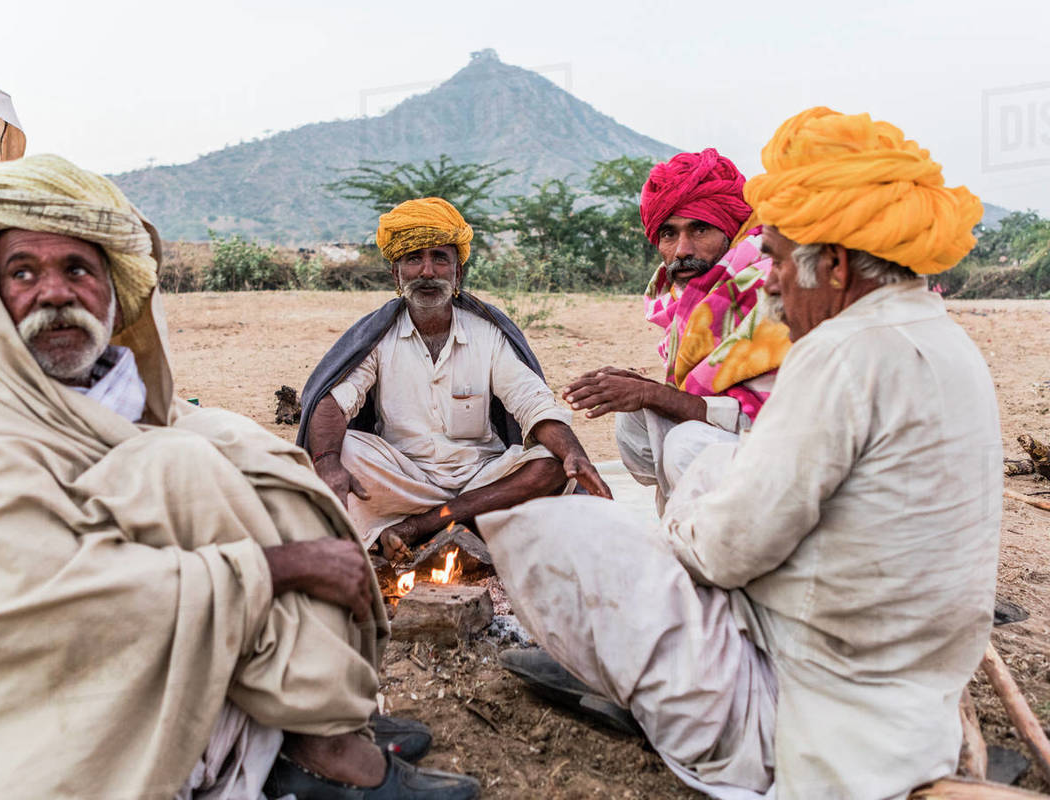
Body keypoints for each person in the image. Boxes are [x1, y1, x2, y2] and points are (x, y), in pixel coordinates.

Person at [0, 155, 479, 800]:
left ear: (114, 290)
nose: (54, 292)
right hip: (52, 710)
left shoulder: (109, 392)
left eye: (78, 269)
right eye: (22, 272)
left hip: (458, 471)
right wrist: (282, 564)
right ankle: (316, 748)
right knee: (180, 461)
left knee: (240, 447)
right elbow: (39, 605)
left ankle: (321, 722)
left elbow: (531, 404)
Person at [478, 107, 997, 799]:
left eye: (779, 259)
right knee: (704, 459)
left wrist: (677, 525)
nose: (773, 279)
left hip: (814, 723)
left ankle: (711, 737)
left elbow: (725, 553)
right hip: (913, 699)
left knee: (550, 529)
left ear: (835, 265)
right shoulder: (943, 338)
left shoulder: (840, 354)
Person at [298, 197, 610, 561]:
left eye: (440, 259)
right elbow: (333, 401)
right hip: (405, 481)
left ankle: (417, 528)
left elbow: (531, 401)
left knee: (552, 463)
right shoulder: (379, 338)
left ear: (458, 273)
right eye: (414, 259)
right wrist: (329, 463)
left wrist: (573, 451)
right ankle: (463, 525)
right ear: (394, 274)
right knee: (340, 451)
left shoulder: (486, 333)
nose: (427, 272)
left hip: (483, 480)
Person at [564, 149, 790, 510]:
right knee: (635, 419)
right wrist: (643, 391)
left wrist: (652, 394)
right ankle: (686, 525)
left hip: (785, 460)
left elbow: (765, 421)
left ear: (730, 229)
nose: (682, 250)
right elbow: (712, 402)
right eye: (669, 234)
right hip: (732, 447)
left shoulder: (770, 287)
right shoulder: (693, 302)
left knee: (688, 444)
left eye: (699, 229)